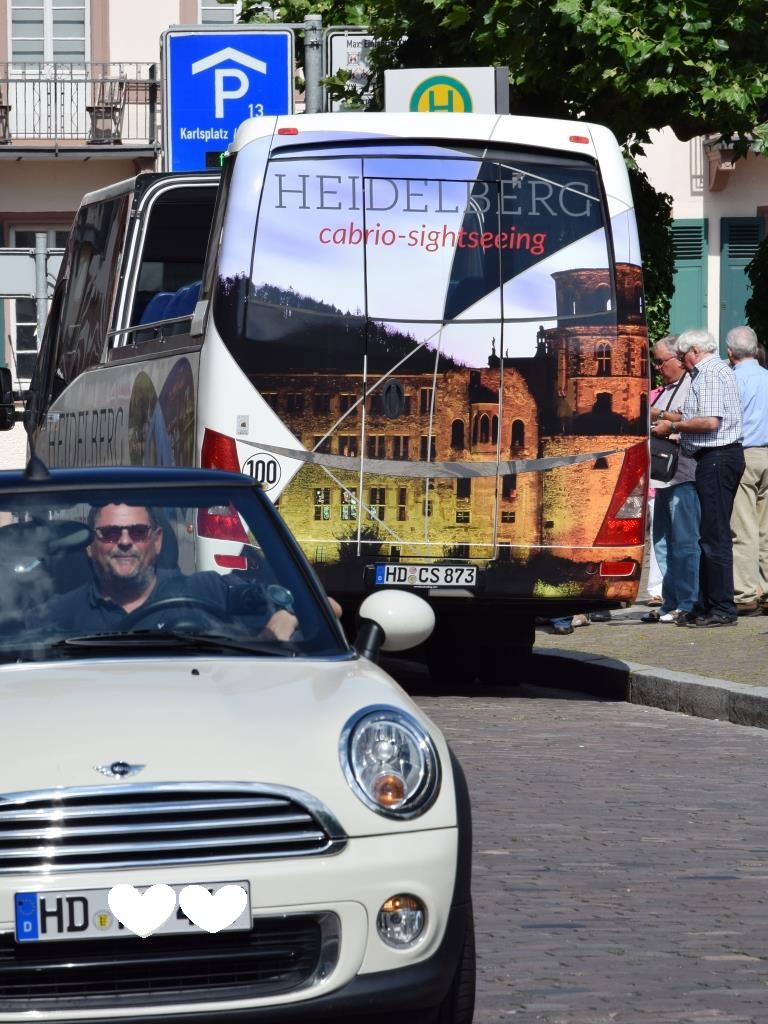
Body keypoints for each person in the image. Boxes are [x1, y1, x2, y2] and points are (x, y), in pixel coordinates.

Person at [42, 503, 300, 638]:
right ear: (90, 546)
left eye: (138, 532)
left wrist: (285, 619)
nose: (124, 541)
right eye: (109, 533)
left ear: (157, 541)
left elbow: (323, 607)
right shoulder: (60, 613)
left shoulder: (207, 590)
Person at [652, 328, 744, 627]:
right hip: (710, 458)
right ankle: (705, 605)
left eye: (682, 356)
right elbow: (701, 415)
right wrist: (668, 418)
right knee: (707, 535)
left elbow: (710, 421)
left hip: (718, 457)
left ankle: (722, 608)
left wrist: (674, 429)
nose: (682, 362)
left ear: (694, 351)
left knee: (714, 537)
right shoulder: (704, 374)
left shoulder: (711, 373)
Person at [642, 336, 700, 624]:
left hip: (682, 473)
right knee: (662, 542)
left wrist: (658, 415)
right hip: (661, 476)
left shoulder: (693, 385)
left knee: (685, 541)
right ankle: (671, 600)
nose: (658, 366)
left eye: (661, 361)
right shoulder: (666, 389)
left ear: (678, 359)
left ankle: (688, 601)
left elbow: (694, 418)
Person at [726, 325, 768, 615]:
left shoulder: (732, 381)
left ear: (730, 352)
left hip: (745, 453)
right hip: (767, 453)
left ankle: (745, 593)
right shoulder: (767, 378)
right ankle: (765, 588)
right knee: (765, 527)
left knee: (743, 527)